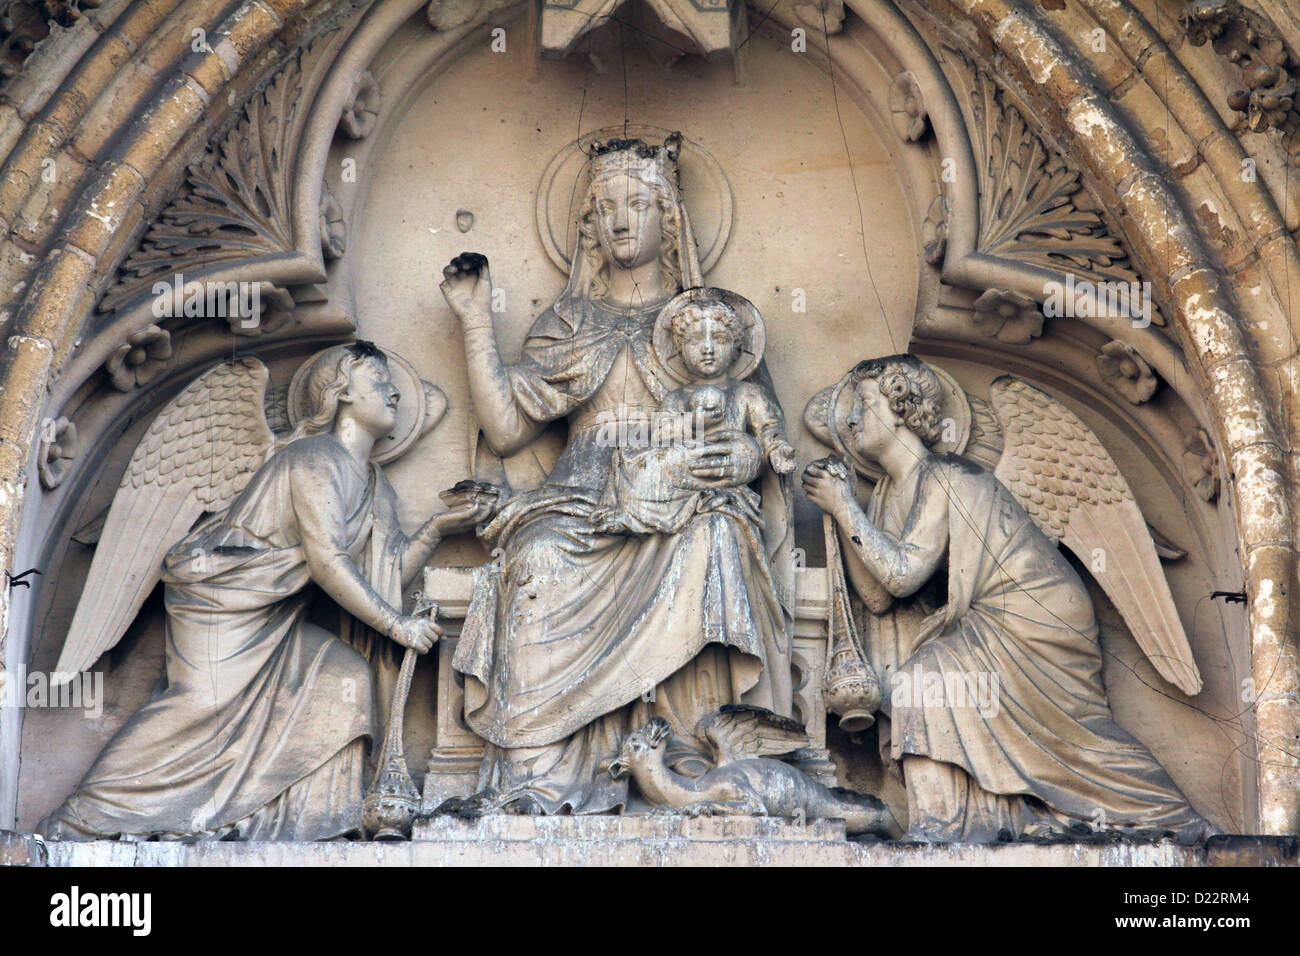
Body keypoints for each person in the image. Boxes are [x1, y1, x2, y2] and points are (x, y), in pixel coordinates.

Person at [441, 135, 795, 813]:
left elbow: (760, 430)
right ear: (588, 226)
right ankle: (540, 771)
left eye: (638, 203)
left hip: (687, 491)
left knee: (715, 540)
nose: (621, 220)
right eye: (605, 208)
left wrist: (743, 459)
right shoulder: (570, 321)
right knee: (538, 559)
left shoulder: (709, 318)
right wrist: (474, 320)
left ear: (670, 218)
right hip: (579, 496)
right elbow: (511, 427)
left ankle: (691, 751)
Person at [43, 342, 488, 841]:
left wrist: (436, 530)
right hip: (222, 597)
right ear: (342, 391)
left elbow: (383, 573)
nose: (394, 393)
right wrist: (397, 626)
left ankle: (308, 821)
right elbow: (328, 563)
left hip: (277, 616)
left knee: (344, 677)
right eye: (378, 380)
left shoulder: (374, 483)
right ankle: (84, 816)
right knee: (201, 703)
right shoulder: (313, 459)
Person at [802, 354, 1210, 843]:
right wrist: (841, 512)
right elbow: (877, 596)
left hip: (1032, 613)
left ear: (901, 407)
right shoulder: (890, 493)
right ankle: (958, 822)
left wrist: (845, 508)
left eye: (864, 404)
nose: (850, 420)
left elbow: (903, 576)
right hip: (985, 621)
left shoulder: (947, 476)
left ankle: (1157, 810)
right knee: (922, 683)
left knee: (1061, 732)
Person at [590, 287, 796, 536]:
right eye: (696, 340)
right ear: (680, 349)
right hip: (688, 467)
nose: (707, 348)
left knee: (744, 447)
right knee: (631, 457)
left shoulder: (747, 394)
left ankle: (656, 508)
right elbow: (662, 434)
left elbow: (769, 431)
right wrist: (693, 423)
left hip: (726, 466)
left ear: (736, 347)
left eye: (719, 339)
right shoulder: (676, 398)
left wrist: (775, 451)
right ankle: (635, 513)